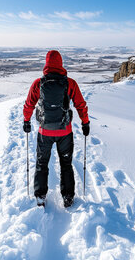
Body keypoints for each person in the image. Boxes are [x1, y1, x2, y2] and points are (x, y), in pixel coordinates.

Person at [23, 50, 90, 208]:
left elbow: (29, 104)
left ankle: (40, 196)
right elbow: (80, 105)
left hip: (44, 132)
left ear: (46, 64)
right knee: (66, 164)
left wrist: (26, 121)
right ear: (61, 63)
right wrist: (85, 122)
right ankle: (68, 196)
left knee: (42, 163)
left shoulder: (38, 83)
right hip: (65, 132)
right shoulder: (70, 83)